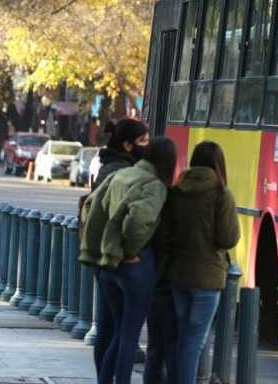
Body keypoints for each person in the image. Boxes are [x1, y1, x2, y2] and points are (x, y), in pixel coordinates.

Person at [81, 138, 176, 384]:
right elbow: (136, 221)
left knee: (118, 331)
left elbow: (91, 204)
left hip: (107, 263)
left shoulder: (121, 175)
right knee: (129, 335)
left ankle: (105, 380)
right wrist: (130, 250)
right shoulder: (154, 185)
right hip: (134, 266)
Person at [162, 141, 239, 384]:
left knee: (184, 335)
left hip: (178, 274)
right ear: (219, 164)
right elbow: (228, 237)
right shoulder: (221, 194)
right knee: (195, 339)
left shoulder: (177, 190)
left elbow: (166, 231)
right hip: (207, 278)